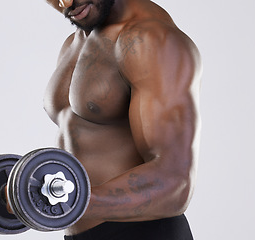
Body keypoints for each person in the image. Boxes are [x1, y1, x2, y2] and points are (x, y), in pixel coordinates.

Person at [43, 0, 202, 239]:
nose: (65, 2)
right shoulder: (74, 43)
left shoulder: (151, 39)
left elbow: (175, 181)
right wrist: (27, 191)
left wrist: (65, 203)